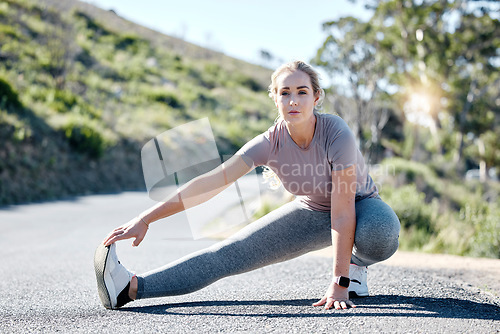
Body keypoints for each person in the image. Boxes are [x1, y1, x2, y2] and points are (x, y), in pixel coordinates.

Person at [94, 60, 400, 311]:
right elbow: (209, 184)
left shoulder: (335, 132)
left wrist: (339, 281)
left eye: (302, 92)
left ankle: (356, 266)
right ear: (275, 98)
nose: (293, 100)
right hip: (312, 211)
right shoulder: (269, 143)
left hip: (360, 206)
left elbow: (344, 210)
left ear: (316, 97)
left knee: (379, 231)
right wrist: (145, 218)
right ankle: (129, 288)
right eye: (285, 93)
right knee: (228, 254)